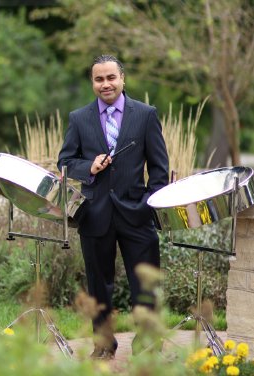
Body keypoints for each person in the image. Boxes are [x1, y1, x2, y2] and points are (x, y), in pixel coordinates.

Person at [57, 55, 169, 360]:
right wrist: (88, 168)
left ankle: (147, 349)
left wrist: (149, 205)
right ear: (92, 82)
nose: (105, 84)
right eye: (98, 79)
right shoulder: (78, 118)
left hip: (137, 215)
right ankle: (104, 345)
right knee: (99, 287)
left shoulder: (145, 115)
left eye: (110, 78)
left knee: (145, 286)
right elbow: (65, 162)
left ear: (122, 79)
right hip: (94, 215)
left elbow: (160, 168)